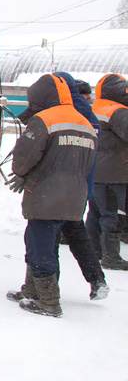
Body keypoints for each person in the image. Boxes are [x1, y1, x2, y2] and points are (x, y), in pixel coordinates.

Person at [7, 74, 97, 317]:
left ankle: (48, 302)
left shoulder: (44, 119)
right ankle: (30, 291)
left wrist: (22, 173)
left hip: (46, 192)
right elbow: (88, 163)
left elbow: (25, 155)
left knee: (40, 246)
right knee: (42, 242)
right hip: (75, 194)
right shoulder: (85, 122)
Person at [85, 73, 128, 270]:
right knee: (113, 213)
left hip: (94, 168)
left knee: (95, 211)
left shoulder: (94, 106)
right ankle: (111, 256)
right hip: (114, 171)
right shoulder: (118, 111)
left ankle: (94, 250)